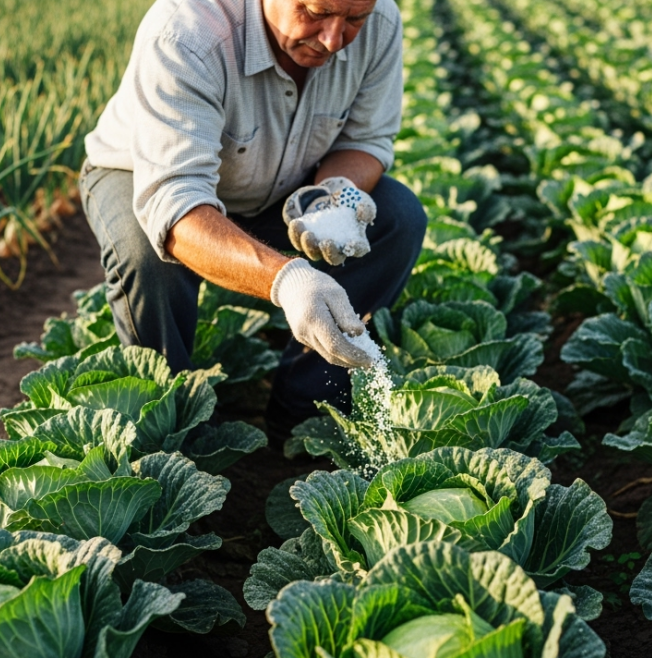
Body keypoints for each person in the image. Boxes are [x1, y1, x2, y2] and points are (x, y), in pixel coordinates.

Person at [79, 0, 426, 442]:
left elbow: (365, 138)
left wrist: (332, 194)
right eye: (316, 12)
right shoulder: (185, 33)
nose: (333, 39)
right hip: (146, 177)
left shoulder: (381, 23)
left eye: (354, 19)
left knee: (398, 218)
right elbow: (175, 201)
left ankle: (307, 410)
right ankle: (172, 427)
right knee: (144, 249)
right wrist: (288, 281)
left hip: (287, 183)